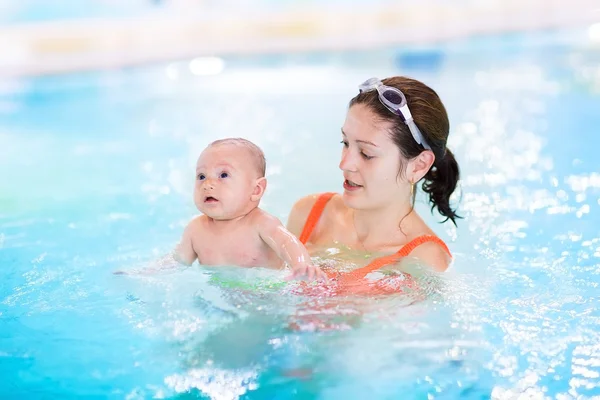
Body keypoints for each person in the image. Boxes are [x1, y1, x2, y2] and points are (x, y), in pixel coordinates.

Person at [287, 76, 460, 291]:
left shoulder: (424, 261)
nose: (344, 164)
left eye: (366, 154)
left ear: (418, 166)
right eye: (345, 143)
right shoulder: (310, 214)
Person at [118, 138, 326, 281]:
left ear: (256, 190)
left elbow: (288, 243)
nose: (208, 184)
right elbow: (176, 262)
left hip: (264, 299)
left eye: (223, 175)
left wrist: (302, 267)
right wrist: (143, 273)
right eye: (201, 176)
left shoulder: (261, 224)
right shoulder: (196, 229)